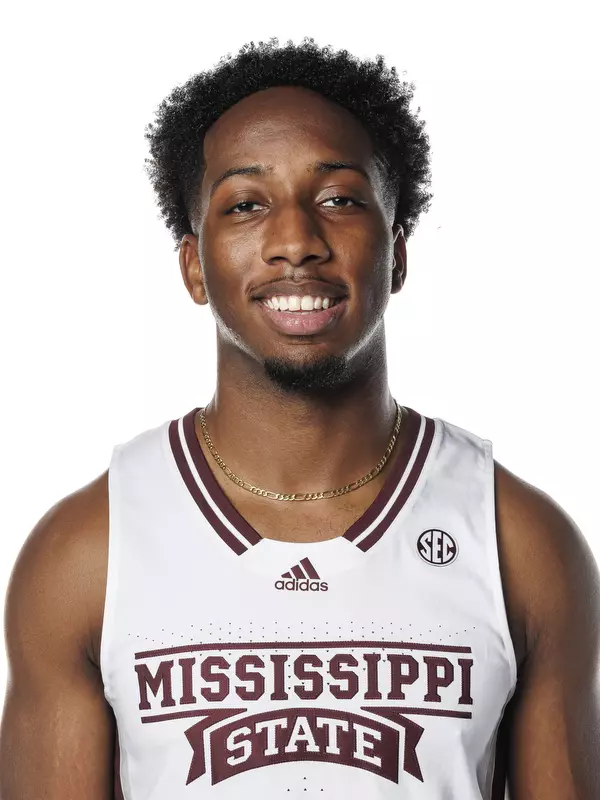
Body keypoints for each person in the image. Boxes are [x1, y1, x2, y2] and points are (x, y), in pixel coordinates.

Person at [1, 37, 598, 800]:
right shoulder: (86, 551)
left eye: (340, 199)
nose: (295, 243)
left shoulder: (517, 538)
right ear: (193, 265)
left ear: (398, 252)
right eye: (247, 205)